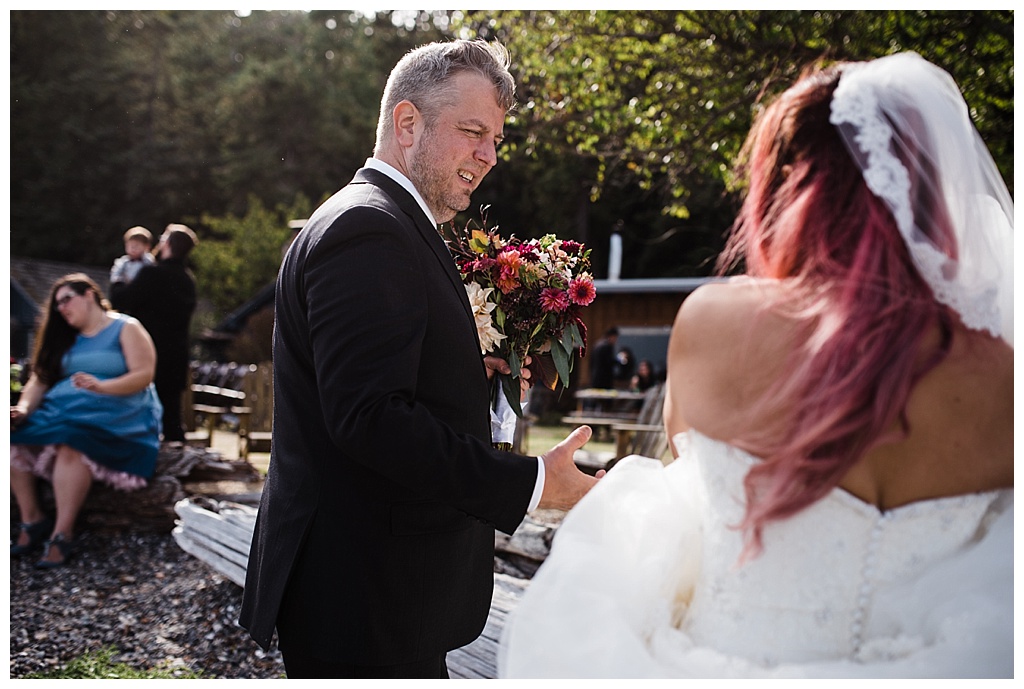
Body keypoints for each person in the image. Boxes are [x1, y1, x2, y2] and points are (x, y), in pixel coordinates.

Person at [500, 52, 1012, 678]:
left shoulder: (716, 324)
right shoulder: (1002, 375)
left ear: (793, 191)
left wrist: (602, 503)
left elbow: (694, 498)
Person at [238, 39, 600, 679]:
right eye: (472, 132)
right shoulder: (369, 230)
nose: (488, 157)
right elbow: (371, 418)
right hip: (361, 593)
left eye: (494, 140)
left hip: (375, 589)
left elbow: (373, 386)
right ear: (408, 124)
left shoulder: (386, 222)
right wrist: (534, 484)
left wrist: (468, 372)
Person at [10, 274, 162, 568]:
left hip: (120, 413)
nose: (62, 309)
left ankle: (62, 534)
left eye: (67, 299)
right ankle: (32, 520)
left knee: (72, 443)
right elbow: (39, 380)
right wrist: (24, 409)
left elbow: (143, 375)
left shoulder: (125, 327)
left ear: (90, 294)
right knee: (13, 439)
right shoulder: (63, 337)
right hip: (62, 412)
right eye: (57, 305)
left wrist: (102, 387)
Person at [110, 224, 198, 442]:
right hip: (176, 356)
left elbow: (120, 300)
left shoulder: (152, 274)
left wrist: (118, 278)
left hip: (145, 354)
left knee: (139, 411)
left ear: (167, 244)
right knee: (171, 417)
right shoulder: (188, 280)